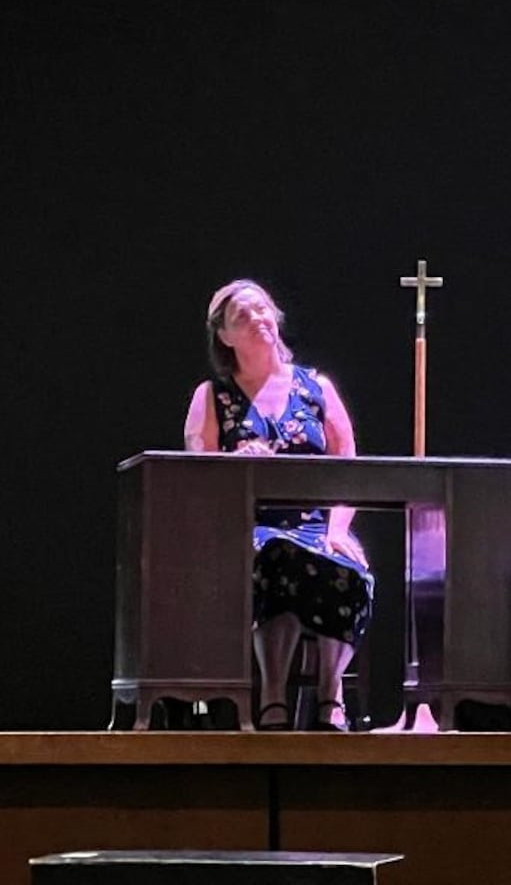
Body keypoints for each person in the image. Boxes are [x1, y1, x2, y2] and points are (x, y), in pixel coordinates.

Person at [183, 279, 374, 731]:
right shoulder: (212, 397)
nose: (257, 320)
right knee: (277, 558)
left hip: (315, 525)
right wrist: (234, 461)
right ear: (224, 337)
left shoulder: (317, 387)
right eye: (242, 316)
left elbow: (348, 466)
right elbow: (194, 480)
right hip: (246, 528)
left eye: (262, 310)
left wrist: (336, 528)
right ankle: (273, 699)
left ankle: (332, 697)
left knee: (349, 571)